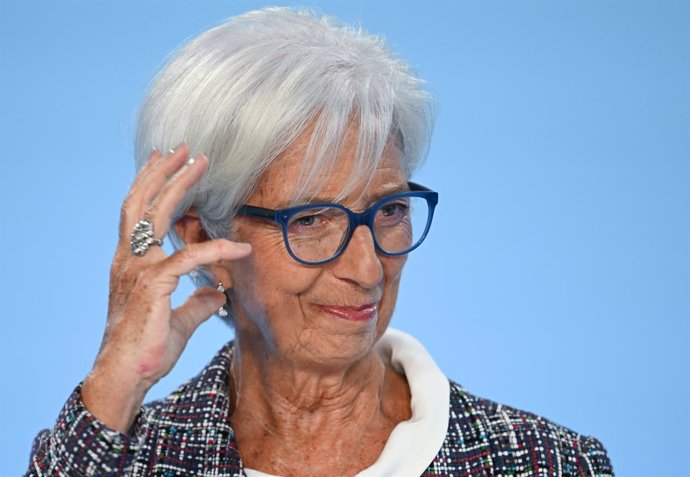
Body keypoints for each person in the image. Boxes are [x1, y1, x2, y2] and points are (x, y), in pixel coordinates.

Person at [27, 7, 613, 477]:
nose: (367, 268)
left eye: (388, 210)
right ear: (204, 237)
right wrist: (113, 387)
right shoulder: (122, 462)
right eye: (309, 219)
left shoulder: (549, 464)